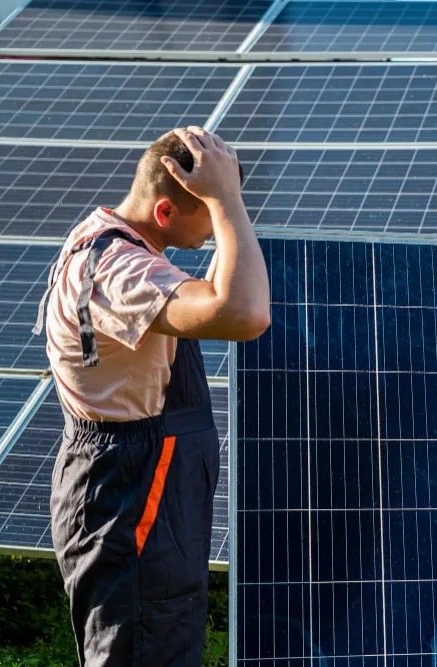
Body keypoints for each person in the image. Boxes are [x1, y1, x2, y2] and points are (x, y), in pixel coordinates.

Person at [34, 126, 270, 666]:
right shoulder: (118, 272)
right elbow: (244, 312)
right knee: (141, 648)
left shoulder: (127, 247)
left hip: (144, 489)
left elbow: (214, 293)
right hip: (129, 495)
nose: (215, 231)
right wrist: (227, 199)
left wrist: (222, 193)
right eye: (206, 216)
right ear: (164, 212)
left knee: (159, 641)